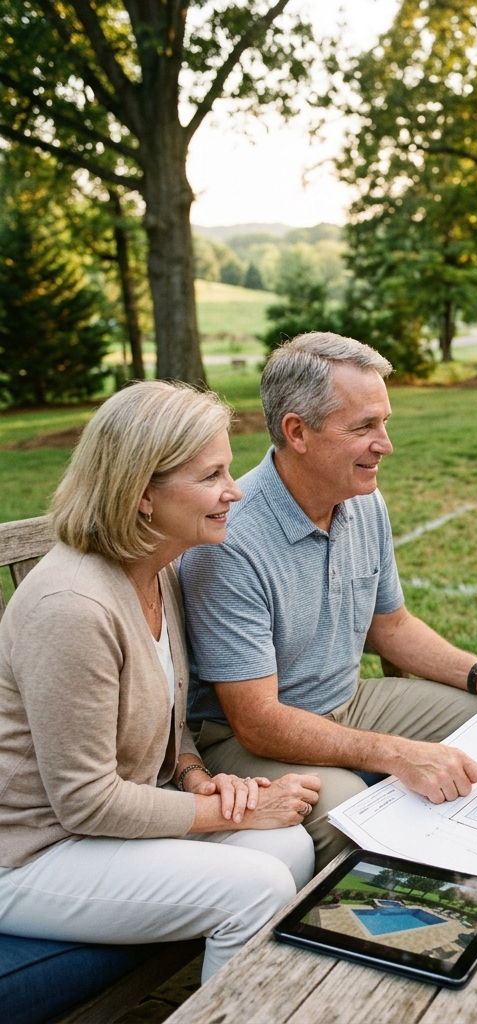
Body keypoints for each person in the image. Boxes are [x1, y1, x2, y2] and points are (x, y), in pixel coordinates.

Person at [180, 333, 477, 873]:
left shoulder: (361, 501)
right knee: (355, 822)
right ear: (297, 432)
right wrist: (395, 752)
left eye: (384, 422)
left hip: (349, 700)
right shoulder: (231, 540)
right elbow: (256, 723)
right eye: (364, 427)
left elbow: (390, 625)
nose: (386, 444)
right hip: (250, 738)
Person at [0, 382, 322, 984]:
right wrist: (228, 816)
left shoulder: (158, 568)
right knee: (253, 887)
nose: (234, 491)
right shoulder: (73, 606)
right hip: (33, 854)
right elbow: (85, 801)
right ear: (143, 493)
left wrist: (200, 778)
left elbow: (168, 729)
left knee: (289, 848)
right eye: (211, 476)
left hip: (103, 828)